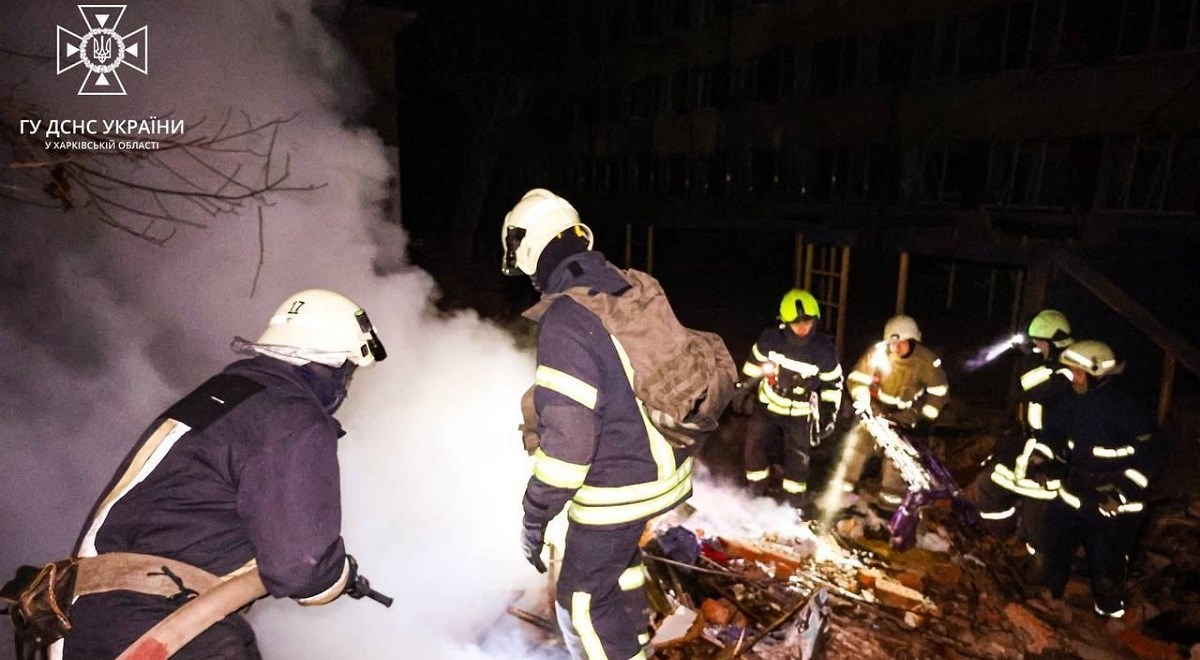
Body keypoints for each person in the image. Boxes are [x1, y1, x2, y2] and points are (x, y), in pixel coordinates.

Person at [63, 289, 387, 659]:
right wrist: (339, 573)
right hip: (157, 624)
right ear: (331, 364)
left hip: (89, 619)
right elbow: (302, 567)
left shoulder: (229, 396)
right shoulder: (291, 415)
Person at [503, 188, 693, 660]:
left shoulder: (566, 319)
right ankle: (639, 642)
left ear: (529, 250)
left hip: (619, 491)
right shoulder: (627, 289)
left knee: (581, 603)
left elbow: (568, 452)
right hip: (669, 472)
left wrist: (534, 517)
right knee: (620, 566)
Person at [1041, 340, 1170, 618]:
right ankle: (1050, 607)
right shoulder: (1070, 402)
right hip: (1072, 495)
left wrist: (1121, 493)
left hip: (1109, 504)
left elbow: (1152, 455)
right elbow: (1053, 436)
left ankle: (1111, 626)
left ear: (1096, 373)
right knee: (1054, 554)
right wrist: (1047, 461)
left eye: (1077, 372)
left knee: (1106, 570)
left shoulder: (1126, 409)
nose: (1072, 378)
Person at [971, 309, 1076, 572]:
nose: (1035, 346)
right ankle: (1001, 540)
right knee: (987, 485)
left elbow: (1037, 387)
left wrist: (1031, 354)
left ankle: (1043, 574)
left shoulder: (1070, 370)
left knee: (1038, 524)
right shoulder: (1047, 364)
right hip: (1027, 447)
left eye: (1039, 341)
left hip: (1054, 457)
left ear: (1053, 342)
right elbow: (1027, 400)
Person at [739, 289, 843, 508]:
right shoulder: (770, 339)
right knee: (753, 446)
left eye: (808, 321)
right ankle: (756, 494)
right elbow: (751, 367)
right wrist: (743, 393)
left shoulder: (824, 350)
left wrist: (827, 414)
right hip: (768, 405)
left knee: (798, 460)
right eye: (797, 323)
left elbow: (833, 384)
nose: (803, 327)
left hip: (801, 414)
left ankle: (792, 506)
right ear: (785, 322)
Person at [839, 314, 949, 511]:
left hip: (905, 416)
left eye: (901, 344)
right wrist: (864, 402)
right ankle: (840, 498)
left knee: (896, 458)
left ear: (912, 340)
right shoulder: (878, 353)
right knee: (857, 445)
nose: (896, 349)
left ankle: (889, 509)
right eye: (892, 343)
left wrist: (925, 420)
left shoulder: (927, 361)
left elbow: (939, 392)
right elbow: (856, 378)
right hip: (876, 410)